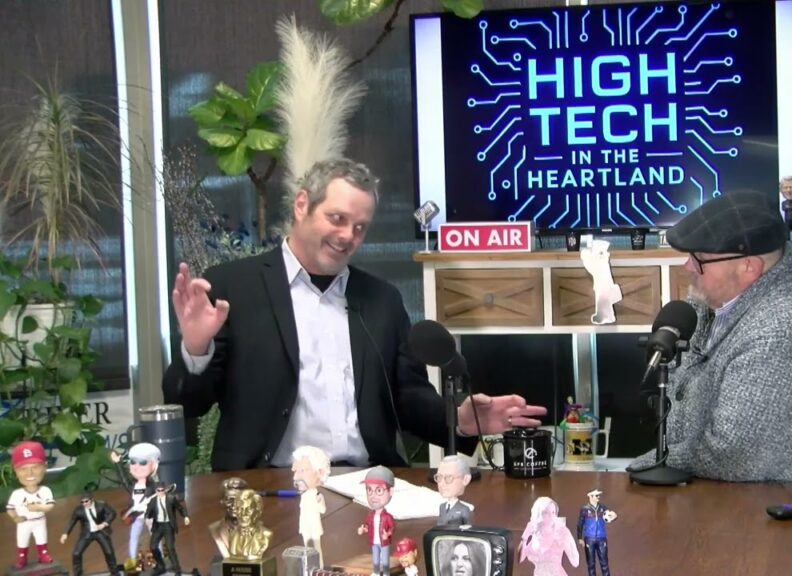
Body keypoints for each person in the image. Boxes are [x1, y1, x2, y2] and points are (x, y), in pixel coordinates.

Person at [163, 158, 546, 471]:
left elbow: (409, 398)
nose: (348, 236)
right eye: (337, 219)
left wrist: (460, 420)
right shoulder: (233, 287)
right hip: (267, 488)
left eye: (360, 227)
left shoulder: (381, 300)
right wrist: (196, 350)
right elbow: (188, 405)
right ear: (301, 205)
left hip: (368, 485)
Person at [627, 190, 792, 504]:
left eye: (699, 259)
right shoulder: (710, 309)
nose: (688, 266)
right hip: (747, 498)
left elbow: (733, 455)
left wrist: (652, 463)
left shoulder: (783, 330)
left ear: (749, 268)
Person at [111, 442, 161, 571]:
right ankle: (133, 560)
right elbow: (124, 480)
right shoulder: (133, 485)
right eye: (133, 462)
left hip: (150, 516)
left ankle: (160, 560)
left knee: (156, 537)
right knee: (133, 537)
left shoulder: (153, 485)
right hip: (136, 516)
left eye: (143, 462)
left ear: (153, 465)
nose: (137, 466)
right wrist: (117, 463)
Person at [6, 441, 54, 569]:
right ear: (15, 471)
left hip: (39, 520)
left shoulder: (45, 491)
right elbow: (10, 509)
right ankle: (22, 558)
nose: (30, 473)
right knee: (22, 540)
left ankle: (43, 555)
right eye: (23, 469)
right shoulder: (17, 494)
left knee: (41, 538)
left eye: (35, 467)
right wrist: (15, 517)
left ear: (45, 467)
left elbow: (50, 506)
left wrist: (40, 507)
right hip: (24, 522)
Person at [61, 492, 119, 576]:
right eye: (82, 502)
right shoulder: (79, 510)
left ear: (92, 500)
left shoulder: (101, 505)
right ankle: (78, 574)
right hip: (87, 533)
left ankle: (115, 573)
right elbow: (72, 521)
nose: (84, 503)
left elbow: (112, 513)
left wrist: (104, 524)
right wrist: (65, 533)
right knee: (76, 553)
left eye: (86, 501)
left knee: (109, 552)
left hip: (101, 532)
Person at [519, 497, 579, 576]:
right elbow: (520, 558)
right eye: (546, 513)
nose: (551, 516)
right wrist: (525, 537)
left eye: (553, 512)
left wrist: (566, 541)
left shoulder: (561, 533)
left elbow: (575, 562)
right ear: (537, 514)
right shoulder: (534, 535)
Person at [292, 445, 329, 568]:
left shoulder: (316, 495)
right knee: (307, 550)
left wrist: (320, 501)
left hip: (314, 528)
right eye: (296, 471)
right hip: (305, 526)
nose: (296, 477)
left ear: (319, 473)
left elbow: (322, 510)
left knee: (316, 550)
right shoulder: (304, 495)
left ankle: (319, 569)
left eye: (302, 471)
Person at [357, 466, 395, 576]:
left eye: (379, 490)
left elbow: (392, 528)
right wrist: (363, 529)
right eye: (369, 490)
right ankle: (376, 572)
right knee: (375, 559)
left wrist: (387, 534)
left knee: (385, 560)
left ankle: (386, 573)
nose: (373, 495)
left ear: (390, 491)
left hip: (384, 542)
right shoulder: (370, 515)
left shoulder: (387, 517)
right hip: (373, 542)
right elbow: (367, 526)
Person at [145, 482, 190, 575]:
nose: (160, 492)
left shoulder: (171, 498)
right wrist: (147, 516)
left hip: (168, 525)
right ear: (156, 491)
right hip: (158, 526)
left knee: (170, 548)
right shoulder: (153, 501)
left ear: (165, 490)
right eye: (158, 490)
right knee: (153, 547)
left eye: (162, 490)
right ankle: (161, 566)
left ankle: (177, 569)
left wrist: (185, 516)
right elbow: (148, 512)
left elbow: (180, 508)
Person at [576, 489, 616, 576]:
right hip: (589, 539)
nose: (598, 497)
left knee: (604, 563)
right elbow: (580, 523)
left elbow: (610, 516)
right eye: (596, 495)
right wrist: (579, 537)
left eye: (599, 495)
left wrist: (613, 516)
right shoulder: (584, 509)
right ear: (590, 496)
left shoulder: (603, 508)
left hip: (601, 538)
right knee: (591, 564)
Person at [226, 489, 272, 560]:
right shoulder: (232, 535)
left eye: (248, 510)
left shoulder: (266, 535)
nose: (243, 514)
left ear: (257, 511)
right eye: (239, 509)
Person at [209, 477, 248, 558]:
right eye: (230, 500)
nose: (234, 505)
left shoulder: (258, 530)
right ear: (222, 501)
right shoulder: (215, 529)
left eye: (239, 500)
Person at [435, 455, 473, 526]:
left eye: (449, 477)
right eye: (439, 477)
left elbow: (467, 528)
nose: (441, 484)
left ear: (465, 479)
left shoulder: (464, 509)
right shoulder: (442, 507)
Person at [778, 176, 792, 243]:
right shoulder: (784, 202)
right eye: (785, 187)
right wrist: (789, 207)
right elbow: (784, 208)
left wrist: (788, 207)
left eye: (791, 187)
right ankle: (787, 238)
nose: (789, 190)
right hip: (787, 219)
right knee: (787, 229)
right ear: (781, 190)